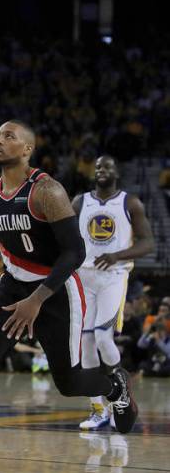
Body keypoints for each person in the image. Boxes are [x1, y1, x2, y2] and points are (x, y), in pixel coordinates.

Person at [0, 121, 137, 473]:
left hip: (57, 290)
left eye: (9, 136)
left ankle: (114, 385)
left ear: (28, 149)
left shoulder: (48, 190)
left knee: (69, 383)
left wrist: (38, 299)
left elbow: (75, 251)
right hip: (13, 285)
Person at [73, 155, 154, 430]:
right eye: (97, 167)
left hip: (113, 276)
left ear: (116, 171)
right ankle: (98, 410)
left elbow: (148, 244)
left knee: (102, 337)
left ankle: (122, 391)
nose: (101, 170)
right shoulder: (80, 202)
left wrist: (116, 255)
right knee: (84, 346)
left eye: (106, 166)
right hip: (83, 277)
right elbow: (67, 239)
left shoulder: (130, 203)